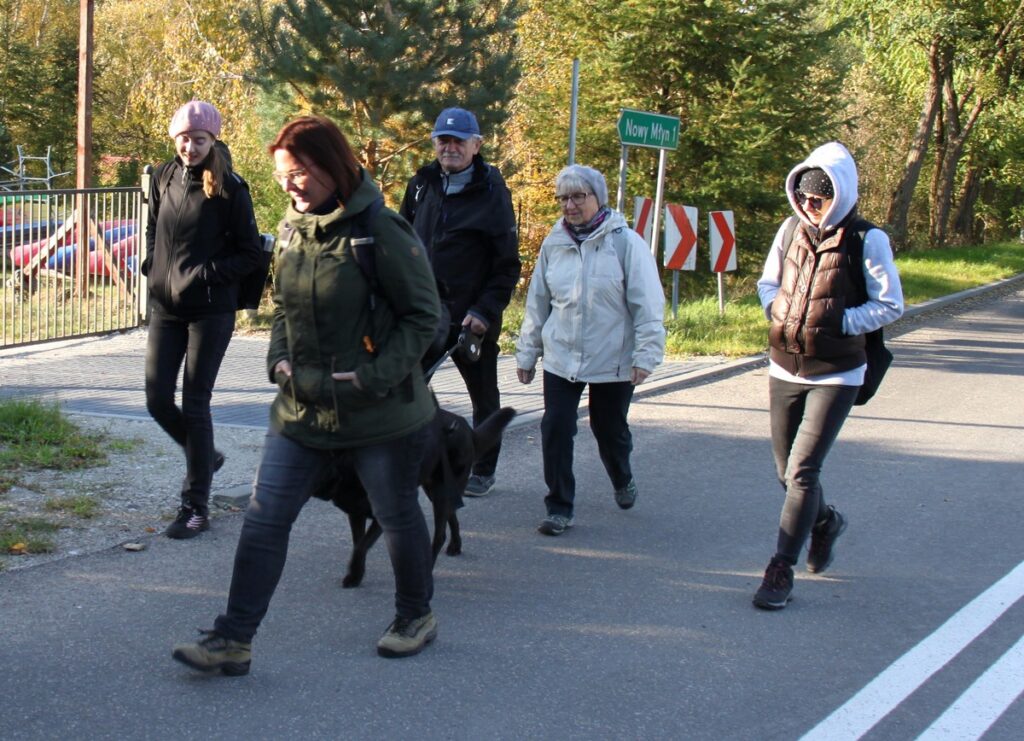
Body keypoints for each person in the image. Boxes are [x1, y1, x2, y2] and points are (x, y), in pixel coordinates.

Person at [172, 116, 442, 675]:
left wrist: (372, 377)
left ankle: (415, 614)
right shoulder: (293, 228)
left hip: (381, 412)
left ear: (332, 165)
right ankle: (233, 638)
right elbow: (283, 308)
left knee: (395, 515)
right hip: (301, 409)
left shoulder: (380, 230)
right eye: (281, 176)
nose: (289, 185)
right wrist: (277, 358)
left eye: (299, 173)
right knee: (265, 518)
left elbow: (424, 318)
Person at [753, 141, 904, 610]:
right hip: (785, 366)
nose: (809, 208)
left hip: (838, 373)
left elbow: (890, 303)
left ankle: (781, 568)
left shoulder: (866, 239)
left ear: (838, 194)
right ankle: (825, 522)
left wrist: (842, 323)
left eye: (817, 200)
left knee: (802, 471)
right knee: (784, 472)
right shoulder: (789, 230)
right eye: (803, 200)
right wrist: (775, 309)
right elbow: (768, 282)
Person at [515, 165, 665, 536]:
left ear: (598, 198)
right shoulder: (554, 244)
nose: (570, 205)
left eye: (579, 196)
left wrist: (645, 355)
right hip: (562, 356)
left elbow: (648, 304)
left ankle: (621, 475)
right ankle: (559, 506)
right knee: (555, 426)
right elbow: (538, 303)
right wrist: (527, 351)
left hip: (612, 358)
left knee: (609, 429)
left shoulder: (625, 243)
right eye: (564, 198)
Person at [142, 100, 261, 540]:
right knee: (157, 400)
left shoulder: (230, 188)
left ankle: (195, 506)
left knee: (195, 404)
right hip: (166, 308)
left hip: (209, 311)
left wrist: (202, 275)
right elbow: (155, 228)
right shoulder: (163, 175)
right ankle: (205, 456)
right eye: (184, 138)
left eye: (199, 139)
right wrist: (151, 268)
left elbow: (250, 254)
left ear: (213, 141)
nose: (190, 147)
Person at [399, 107, 521, 497]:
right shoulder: (421, 185)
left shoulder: (492, 193)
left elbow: (507, 266)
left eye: (458, 141)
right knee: (407, 389)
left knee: (483, 397)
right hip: (422, 314)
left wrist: (483, 312)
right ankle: (411, 459)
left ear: (476, 145)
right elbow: (400, 244)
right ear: (434, 143)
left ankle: (482, 470)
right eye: (443, 140)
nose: (449, 147)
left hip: (471, 317)